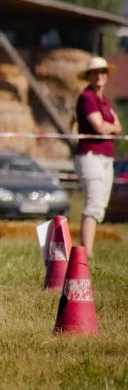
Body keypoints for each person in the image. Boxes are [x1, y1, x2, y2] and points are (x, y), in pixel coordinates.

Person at [74, 56, 120, 258]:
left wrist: (109, 128)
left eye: (102, 72)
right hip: (90, 155)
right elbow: (99, 127)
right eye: (95, 72)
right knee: (93, 204)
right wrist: (109, 128)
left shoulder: (106, 101)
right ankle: (86, 252)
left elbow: (118, 127)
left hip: (106, 157)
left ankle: (86, 250)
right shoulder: (87, 97)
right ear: (89, 76)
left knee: (100, 205)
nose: (99, 76)